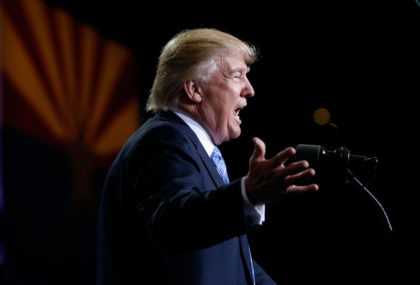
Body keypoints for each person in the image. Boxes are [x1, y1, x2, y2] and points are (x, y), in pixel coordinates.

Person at [96, 27, 319, 285]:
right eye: (237, 75)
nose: (249, 89)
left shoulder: (197, 151)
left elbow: (229, 261)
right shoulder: (162, 139)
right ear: (194, 89)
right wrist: (247, 194)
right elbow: (172, 224)